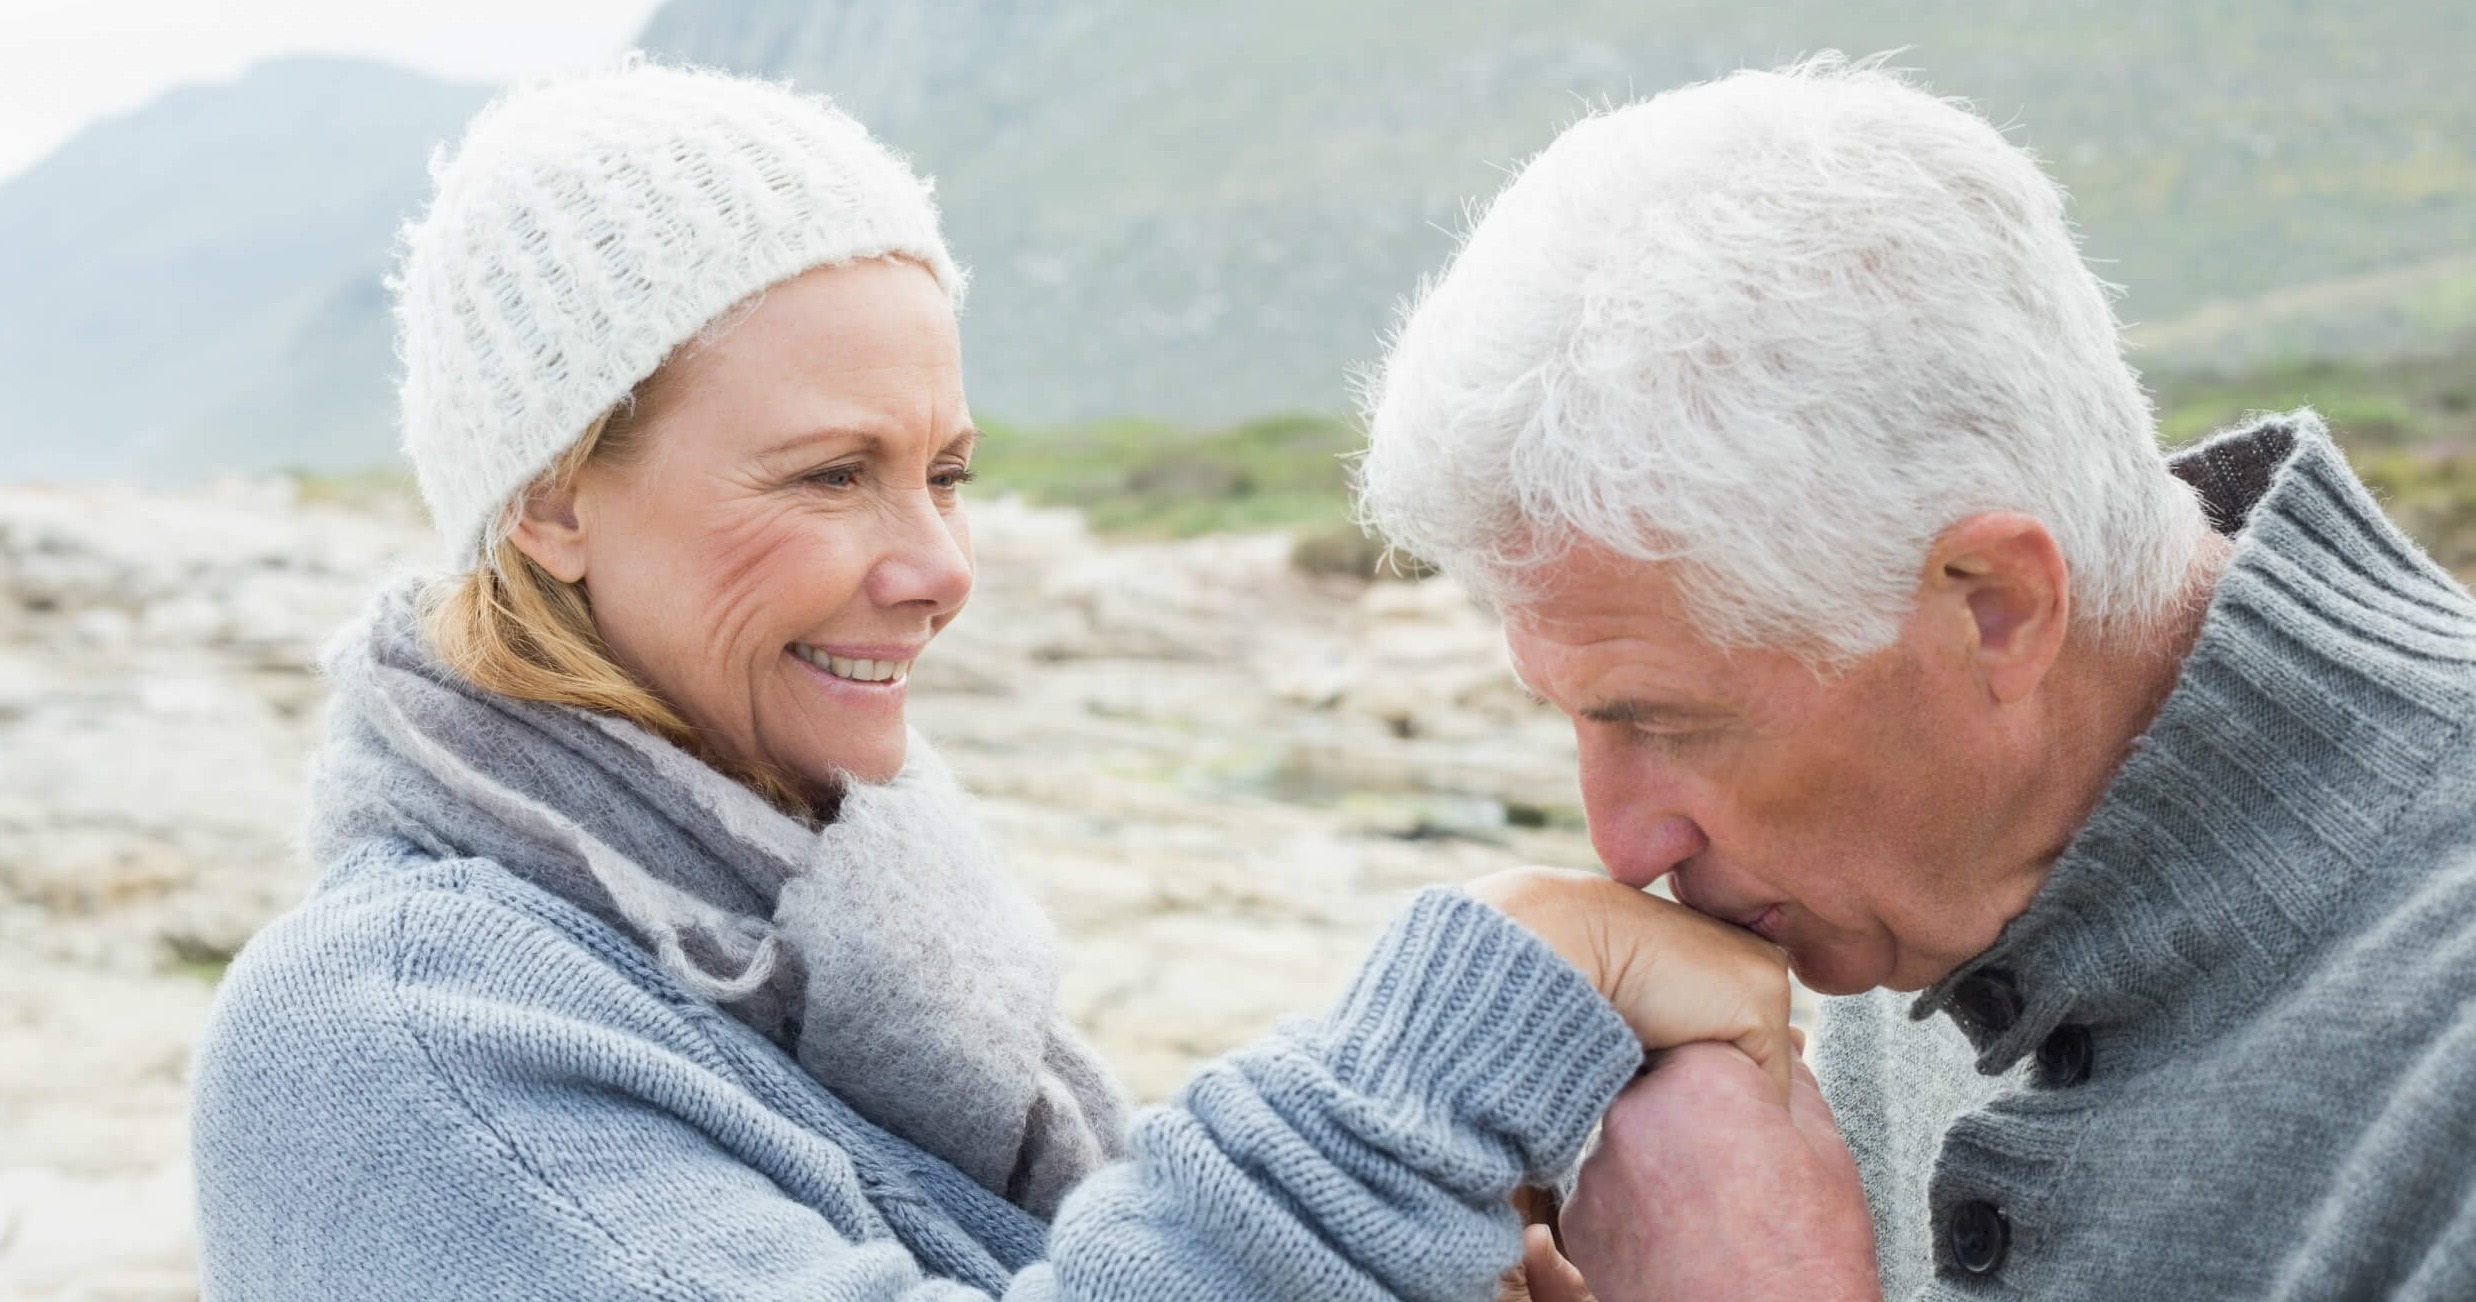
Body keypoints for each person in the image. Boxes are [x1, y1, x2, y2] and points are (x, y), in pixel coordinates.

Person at [188, 60, 1804, 1300]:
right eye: (832, 474)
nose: (939, 563)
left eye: (946, 472)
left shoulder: (848, 908)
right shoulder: (388, 1037)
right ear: (548, 498)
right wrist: (1465, 1036)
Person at [1360, 55, 2476, 1301]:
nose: (1619, 846)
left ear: (1993, 608)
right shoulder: (1940, 868)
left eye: (1665, 723)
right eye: (1569, 718)